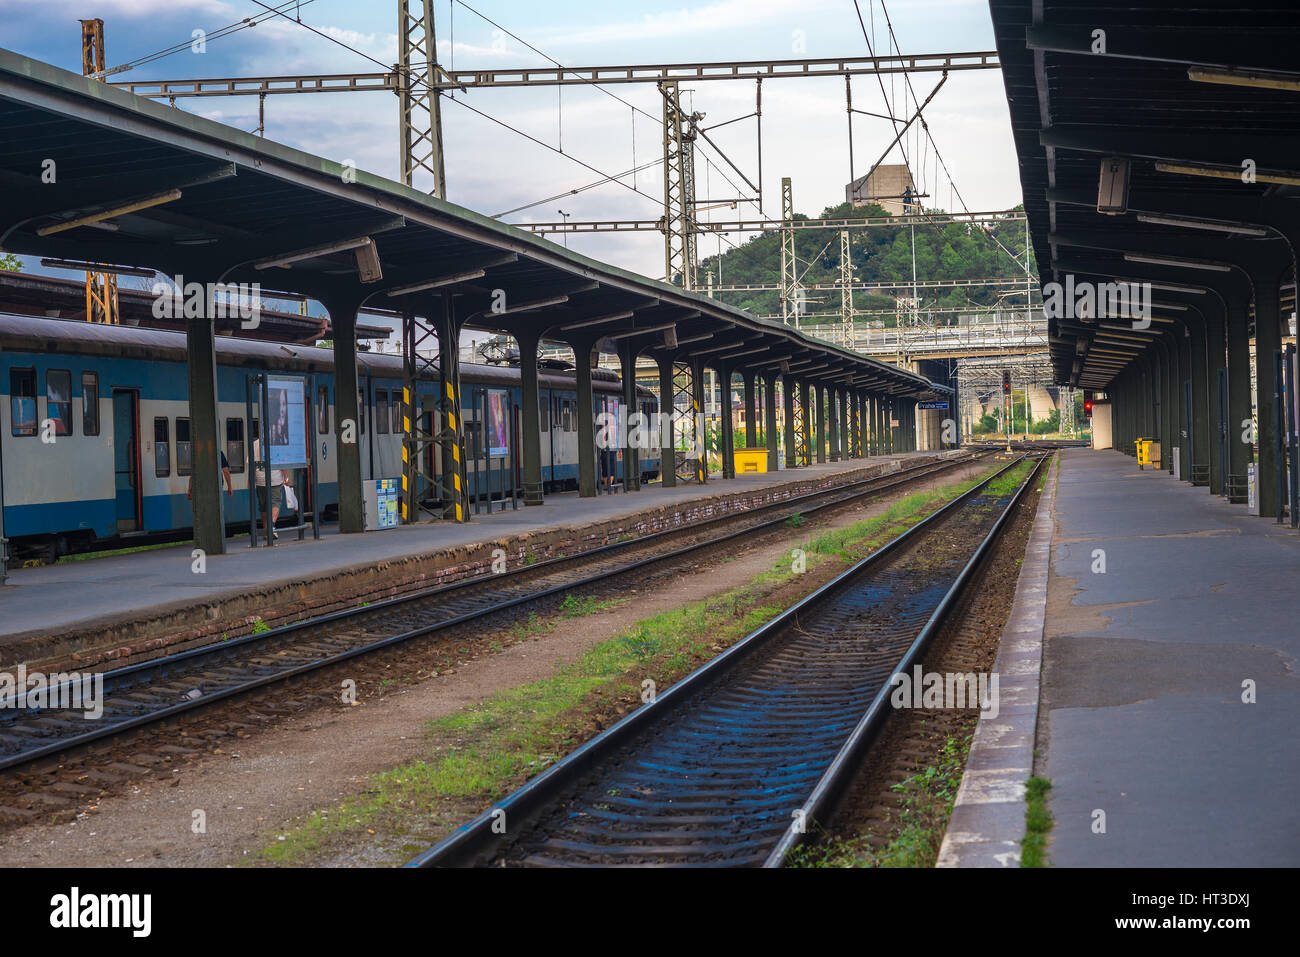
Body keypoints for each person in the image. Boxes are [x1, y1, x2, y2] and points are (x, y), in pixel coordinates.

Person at [251, 437, 293, 541]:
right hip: (274, 478)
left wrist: (250, 481)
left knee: (263, 505)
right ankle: (271, 527)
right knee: (275, 502)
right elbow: (281, 462)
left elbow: (251, 463)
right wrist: (286, 476)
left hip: (259, 479)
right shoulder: (276, 442)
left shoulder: (254, 444)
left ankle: (266, 530)